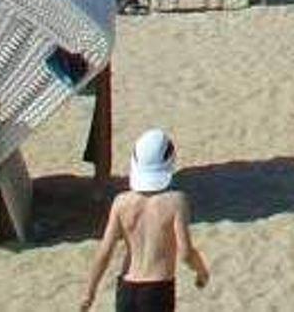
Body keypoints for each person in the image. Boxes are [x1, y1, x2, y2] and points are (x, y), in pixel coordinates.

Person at [80, 129, 210, 310]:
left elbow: (105, 252)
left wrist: (89, 292)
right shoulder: (176, 202)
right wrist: (202, 272)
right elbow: (185, 253)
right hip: (157, 290)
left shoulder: (121, 202)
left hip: (126, 289)